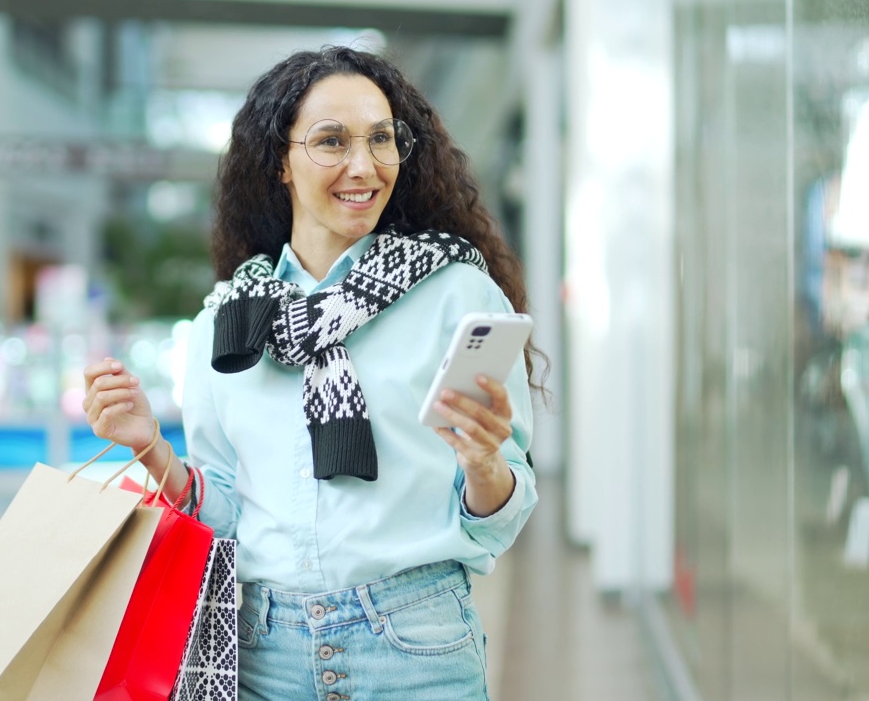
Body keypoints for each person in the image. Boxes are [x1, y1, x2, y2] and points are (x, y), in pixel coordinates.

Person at [83, 46, 544, 700]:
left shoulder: (457, 296)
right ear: (280, 162)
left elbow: (502, 513)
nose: (365, 166)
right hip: (265, 655)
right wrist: (151, 448)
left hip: (417, 651)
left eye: (381, 140)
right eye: (332, 141)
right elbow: (229, 511)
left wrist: (485, 466)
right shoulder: (229, 320)